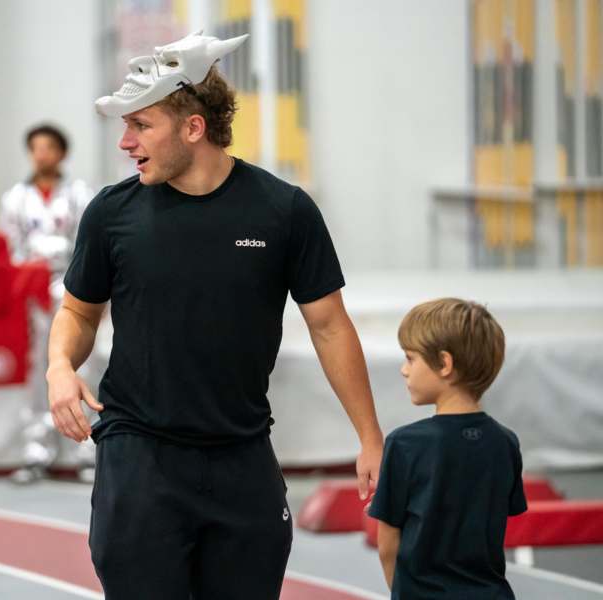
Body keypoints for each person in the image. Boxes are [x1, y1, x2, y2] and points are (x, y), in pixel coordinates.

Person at [46, 31, 383, 598]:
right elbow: (78, 313)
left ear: (193, 127)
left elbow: (328, 326)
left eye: (141, 125)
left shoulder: (284, 211)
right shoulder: (111, 213)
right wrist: (59, 365)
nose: (126, 143)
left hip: (242, 454)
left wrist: (370, 436)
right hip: (139, 454)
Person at [368, 298, 528, 599]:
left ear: (444, 363)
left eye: (410, 358)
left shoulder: (404, 445)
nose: (404, 370)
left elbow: (387, 546)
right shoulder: (506, 443)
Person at [0, 123, 95, 484]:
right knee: (39, 369)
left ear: (62, 153)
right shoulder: (14, 199)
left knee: (82, 365)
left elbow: (88, 244)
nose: (42, 154)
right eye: (36, 148)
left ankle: (87, 452)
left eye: (49, 147)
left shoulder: (80, 194)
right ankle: (37, 452)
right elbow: (12, 248)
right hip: (32, 293)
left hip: (74, 289)